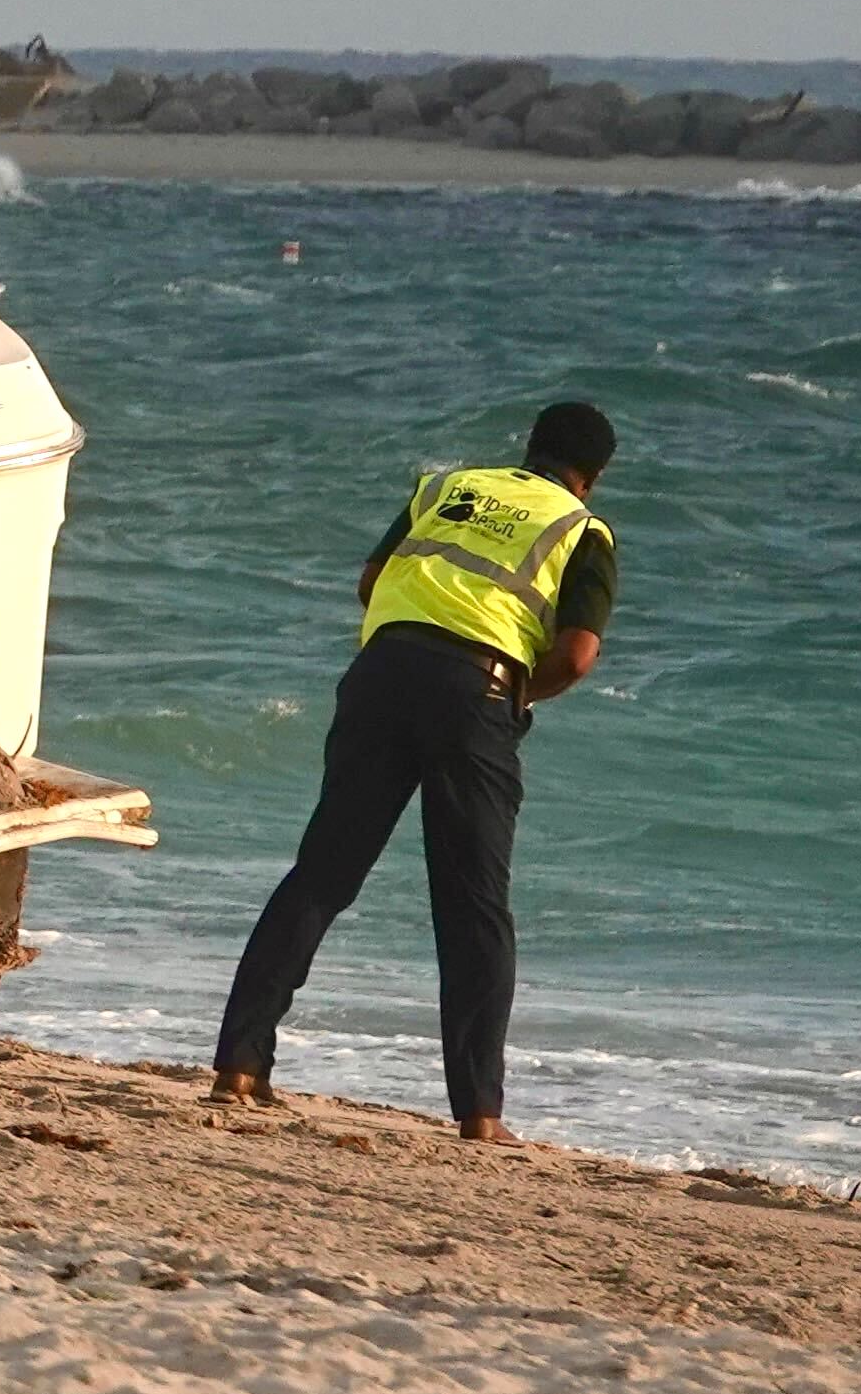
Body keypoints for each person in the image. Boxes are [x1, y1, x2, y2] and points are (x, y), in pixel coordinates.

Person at [209, 399, 622, 1141]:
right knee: (474, 908)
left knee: (322, 874)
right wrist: (516, 695)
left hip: (382, 669)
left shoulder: (447, 488)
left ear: (527, 449)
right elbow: (577, 654)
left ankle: (240, 1066)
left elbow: (372, 580)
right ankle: (479, 1113)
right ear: (590, 481)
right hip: (478, 691)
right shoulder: (581, 531)